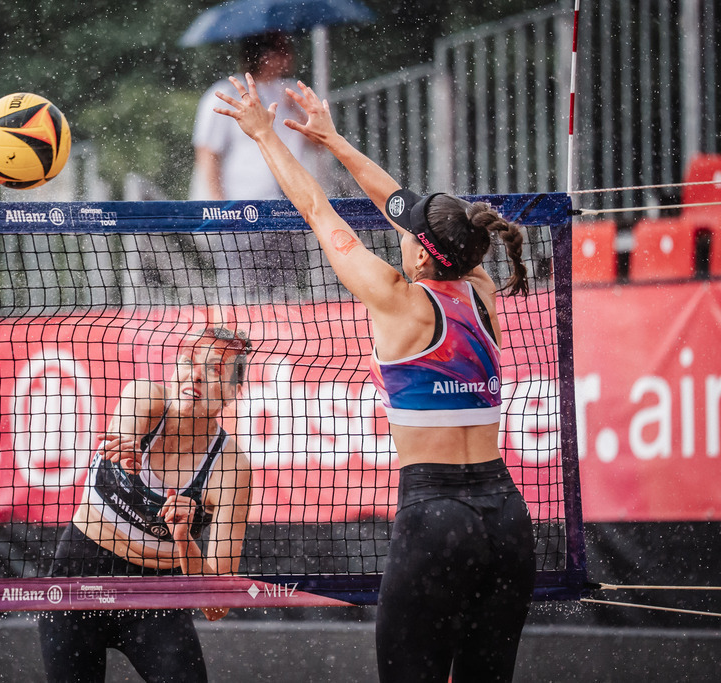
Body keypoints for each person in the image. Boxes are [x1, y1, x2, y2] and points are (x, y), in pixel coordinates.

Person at [214, 74, 537, 682]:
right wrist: (334, 141)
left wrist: (263, 135)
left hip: (437, 515)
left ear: (419, 252)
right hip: (506, 518)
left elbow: (315, 207)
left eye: (410, 233)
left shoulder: (397, 300)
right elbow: (404, 209)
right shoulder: (483, 289)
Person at [39, 326, 254, 683]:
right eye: (188, 361)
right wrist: (128, 447)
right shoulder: (145, 397)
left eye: (214, 369)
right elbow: (126, 428)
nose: (195, 374)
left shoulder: (232, 469)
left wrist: (185, 538)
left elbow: (217, 606)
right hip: (79, 578)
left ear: (232, 392)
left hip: (156, 597)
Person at [191, 32, 326, 303]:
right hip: (240, 208)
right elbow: (207, 152)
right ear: (265, 56)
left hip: (289, 206)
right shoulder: (226, 92)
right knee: (240, 290)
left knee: (284, 290)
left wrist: (301, 114)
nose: (290, 56)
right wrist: (218, 206)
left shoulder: (291, 91)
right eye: (283, 50)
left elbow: (321, 143)